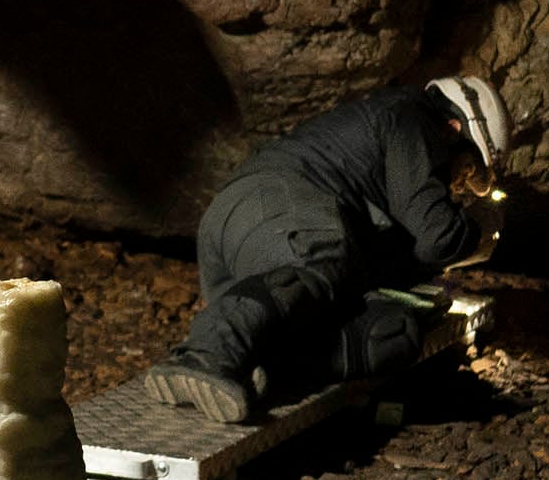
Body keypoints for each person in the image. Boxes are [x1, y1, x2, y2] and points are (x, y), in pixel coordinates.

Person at [138, 77, 506, 428]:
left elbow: (399, 255)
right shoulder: (413, 119)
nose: (461, 185)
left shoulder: (393, 166)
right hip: (273, 208)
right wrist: (480, 231)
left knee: (391, 333)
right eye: (470, 169)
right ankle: (208, 351)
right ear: (458, 128)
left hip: (268, 253)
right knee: (327, 255)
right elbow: (436, 236)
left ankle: (263, 364)